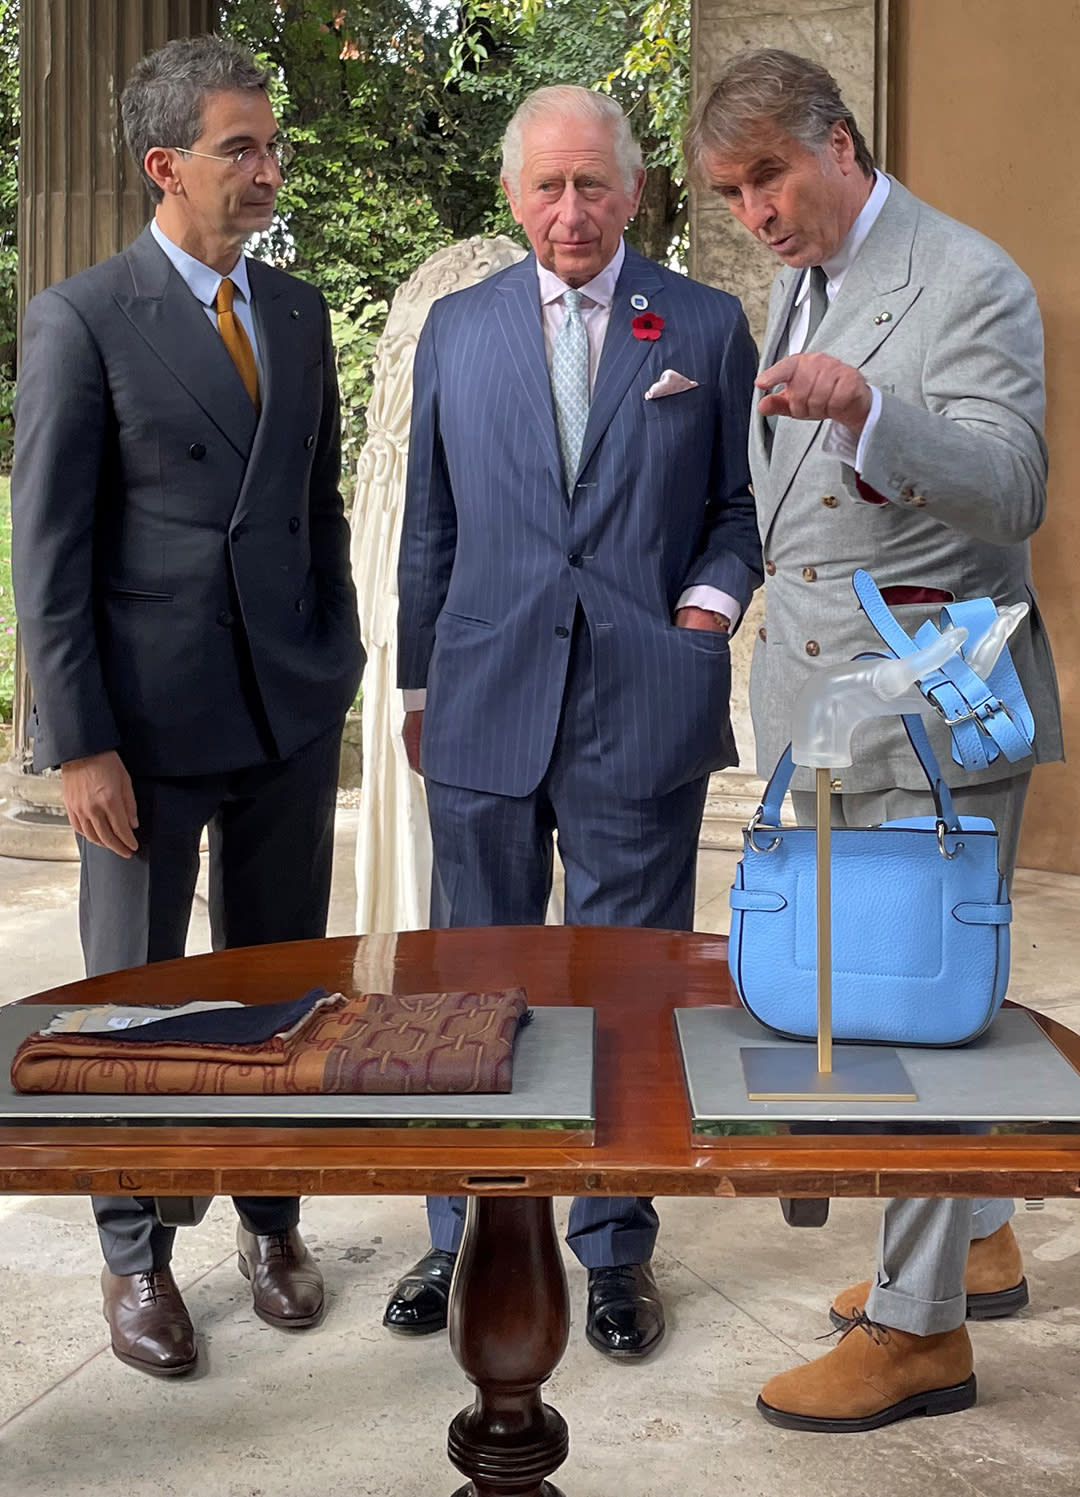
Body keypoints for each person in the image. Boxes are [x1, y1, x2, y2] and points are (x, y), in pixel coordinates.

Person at [685, 48, 1063, 1429]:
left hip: (926, 709)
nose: (757, 212)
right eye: (734, 194)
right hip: (822, 709)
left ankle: (920, 1336)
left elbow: (1014, 490)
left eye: (770, 177)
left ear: (839, 142)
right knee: (883, 994)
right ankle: (973, 1238)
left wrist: (871, 410)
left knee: (921, 1012)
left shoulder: (967, 278)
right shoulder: (808, 278)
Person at [10, 36, 364, 1379]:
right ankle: (133, 1251)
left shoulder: (301, 313)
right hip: (142, 741)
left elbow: (317, 508)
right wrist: (80, 742)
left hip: (285, 717)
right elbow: (47, 556)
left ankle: (272, 1220)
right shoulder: (82, 317)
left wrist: (332, 654)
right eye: (240, 148)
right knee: (134, 1005)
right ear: (165, 166)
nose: (266, 169)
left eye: (271, 147)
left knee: (284, 990)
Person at [392, 85, 762, 1359]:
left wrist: (704, 615)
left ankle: (613, 1250)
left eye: (592, 184)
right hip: (486, 701)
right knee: (468, 987)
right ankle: (462, 1235)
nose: (570, 211)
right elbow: (428, 527)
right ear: (512, 196)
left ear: (634, 189)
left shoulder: (706, 326)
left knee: (622, 992)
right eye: (547, 187)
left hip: (638, 707)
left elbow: (735, 509)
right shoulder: (457, 331)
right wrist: (420, 691)